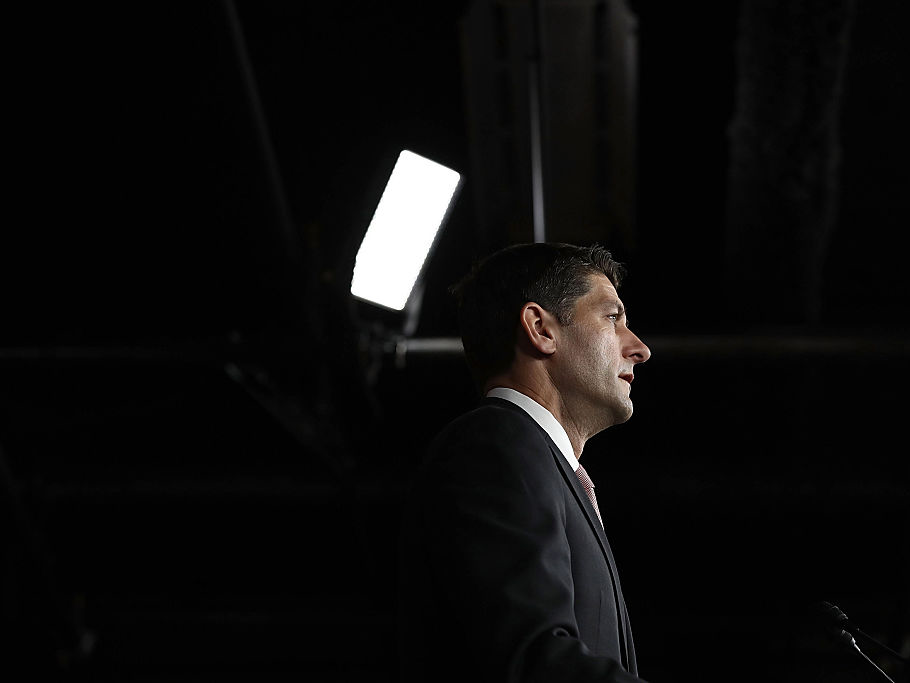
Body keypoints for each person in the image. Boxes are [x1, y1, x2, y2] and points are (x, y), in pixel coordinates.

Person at [398, 242, 653, 682]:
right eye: (613, 318)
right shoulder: (495, 443)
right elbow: (531, 661)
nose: (640, 348)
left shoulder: (541, 462)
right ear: (540, 328)